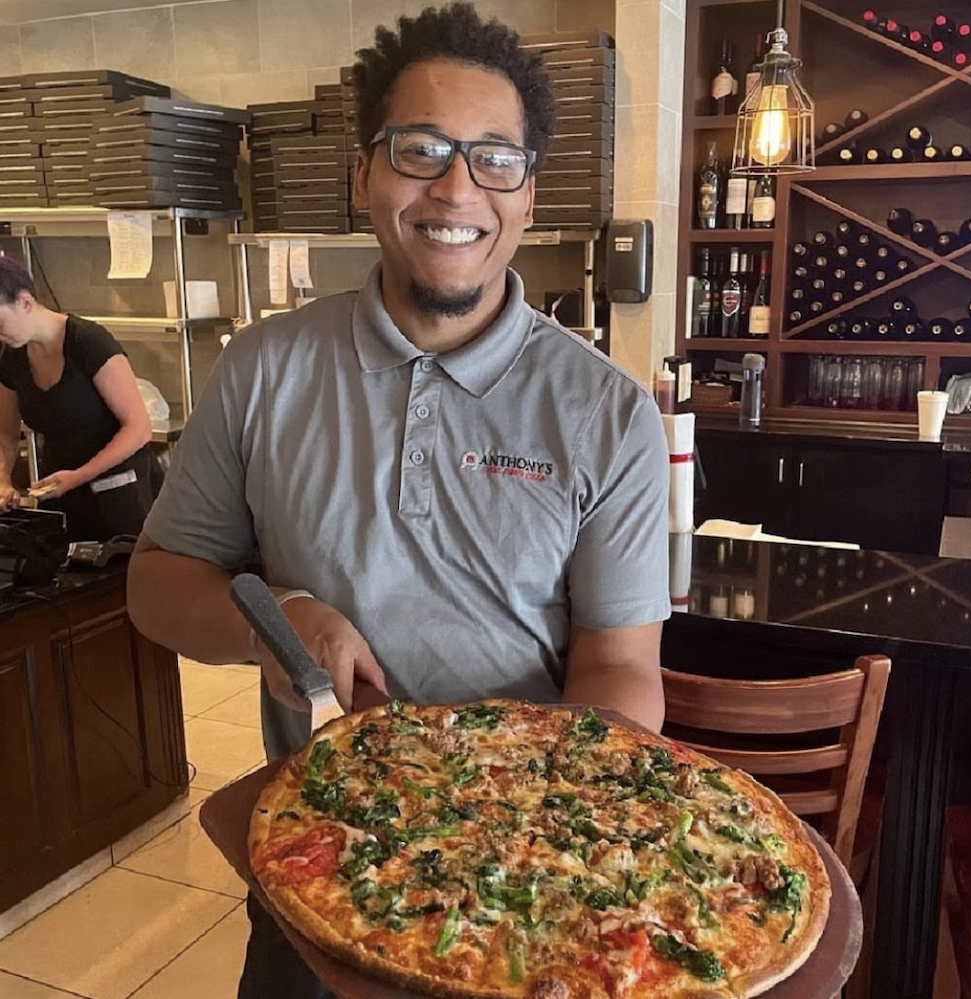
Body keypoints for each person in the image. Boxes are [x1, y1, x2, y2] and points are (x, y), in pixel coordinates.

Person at [127, 4, 671, 997]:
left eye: (494, 157)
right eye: (419, 150)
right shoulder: (262, 373)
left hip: (523, 896)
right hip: (311, 870)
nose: (456, 187)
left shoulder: (609, 414)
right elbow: (157, 586)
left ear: (528, 191)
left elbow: (625, 669)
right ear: (364, 177)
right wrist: (273, 621)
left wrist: (525, 808)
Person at [0, 256, 162, 541]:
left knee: (125, 577)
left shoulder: (88, 341)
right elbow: (5, 434)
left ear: (25, 302)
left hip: (121, 490)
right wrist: (2, 480)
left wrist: (80, 475)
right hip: (61, 492)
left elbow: (138, 428)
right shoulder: (12, 355)